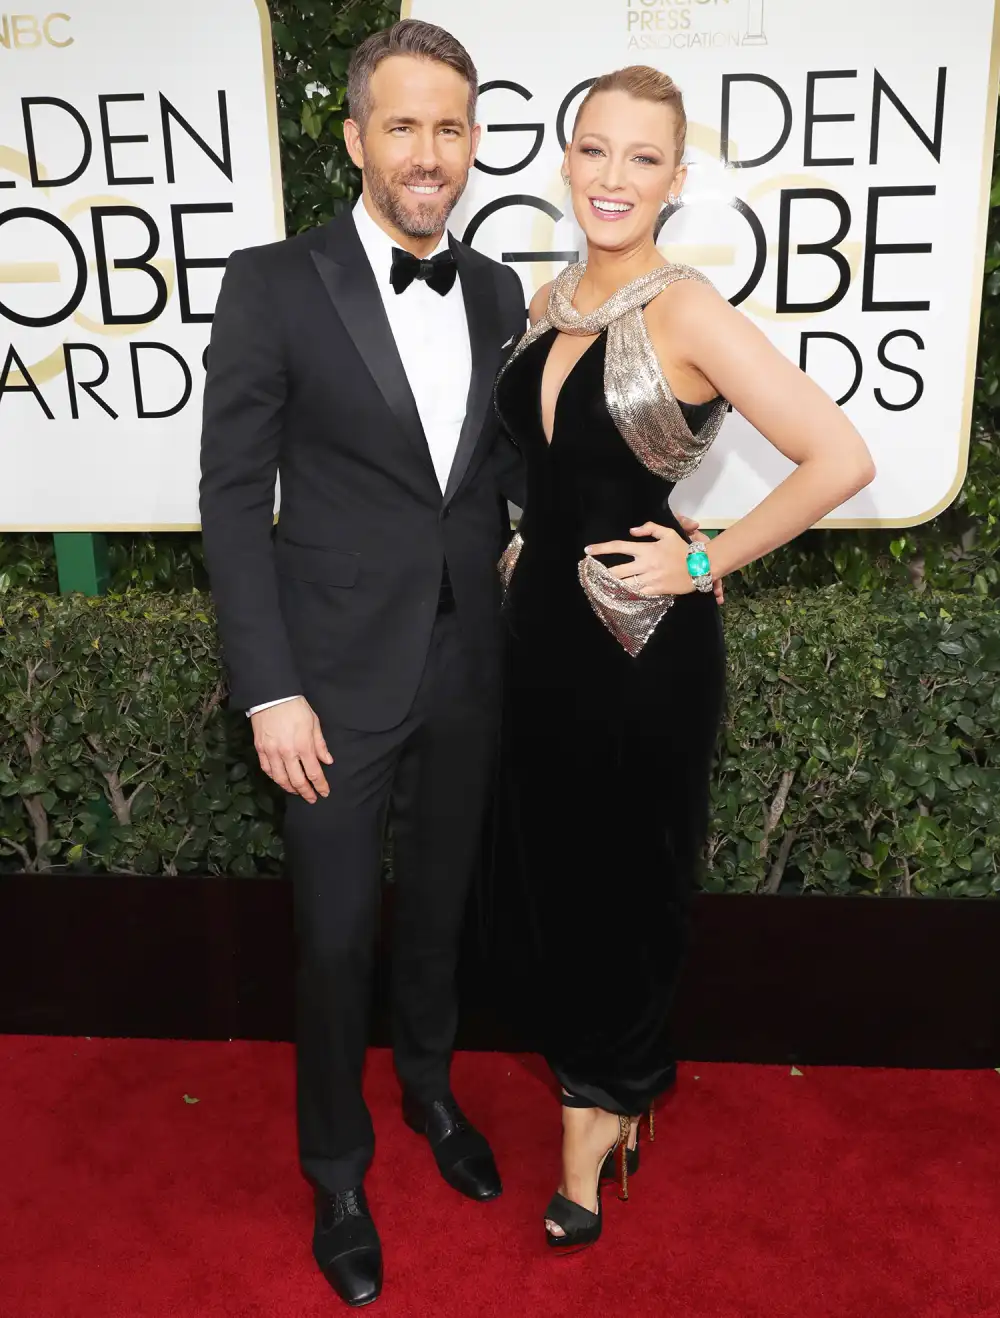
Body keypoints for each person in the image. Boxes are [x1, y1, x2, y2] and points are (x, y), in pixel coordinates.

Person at [492, 65, 875, 1251]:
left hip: (641, 646)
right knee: (551, 882)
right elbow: (550, 474)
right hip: (538, 641)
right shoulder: (547, 300)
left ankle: (602, 1109)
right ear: (566, 159)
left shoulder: (691, 312)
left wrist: (706, 556)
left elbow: (839, 457)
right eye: (594, 149)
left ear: (676, 177)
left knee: (627, 882)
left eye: (642, 157)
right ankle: (594, 1082)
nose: (613, 176)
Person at [199, 20, 530, 1308]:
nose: (427, 153)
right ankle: (337, 1170)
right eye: (402, 126)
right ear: (353, 138)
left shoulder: (498, 291)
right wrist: (268, 686)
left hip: (466, 661)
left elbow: (494, 474)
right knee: (335, 937)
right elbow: (234, 500)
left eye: (448, 127)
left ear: (473, 140)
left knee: (438, 911)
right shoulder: (272, 282)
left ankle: (431, 1091)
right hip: (326, 682)